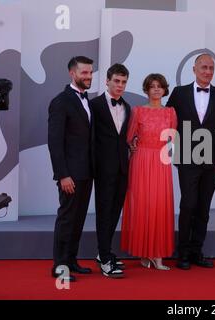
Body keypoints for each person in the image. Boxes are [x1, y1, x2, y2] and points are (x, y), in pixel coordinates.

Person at [166, 53, 215, 270]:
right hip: (187, 160)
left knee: (203, 208)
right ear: (194, 69)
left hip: (212, 162)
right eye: (204, 67)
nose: (208, 72)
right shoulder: (179, 93)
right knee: (188, 205)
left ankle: (197, 251)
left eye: (211, 68)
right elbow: (168, 122)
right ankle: (182, 253)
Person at [121, 73, 177, 271]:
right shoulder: (137, 111)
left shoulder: (170, 112)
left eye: (159, 86)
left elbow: (173, 139)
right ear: (146, 89)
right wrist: (134, 145)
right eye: (152, 86)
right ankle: (145, 252)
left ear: (164, 90)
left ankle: (158, 254)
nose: (156, 89)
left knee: (160, 206)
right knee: (143, 205)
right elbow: (128, 137)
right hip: (141, 161)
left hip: (161, 162)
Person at [48, 56, 94, 282]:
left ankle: (71, 260)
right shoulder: (61, 101)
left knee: (78, 219)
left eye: (90, 72)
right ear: (72, 74)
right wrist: (63, 174)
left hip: (87, 172)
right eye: (84, 73)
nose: (88, 77)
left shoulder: (88, 101)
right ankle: (59, 266)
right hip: (70, 175)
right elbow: (54, 142)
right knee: (67, 219)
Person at [91, 63, 131, 278]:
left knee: (114, 211)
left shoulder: (127, 106)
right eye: (116, 81)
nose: (120, 85)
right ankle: (105, 259)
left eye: (124, 82)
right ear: (107, 81)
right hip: (103, 169)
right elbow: (90, 139)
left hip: (122, 169)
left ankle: (103, 252)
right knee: (104, 212)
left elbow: (122, 138)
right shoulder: (94, 105)